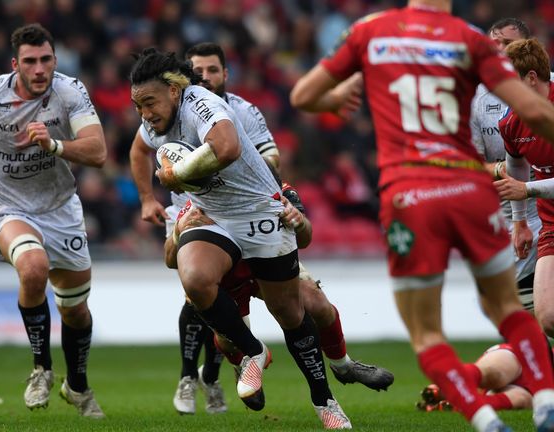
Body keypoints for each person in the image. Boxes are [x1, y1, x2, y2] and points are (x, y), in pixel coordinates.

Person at [290, 1, 554, 431]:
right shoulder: (469, 38)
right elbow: (539, 114)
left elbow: (303, 96)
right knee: (509, 309)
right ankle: (545, 401)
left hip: (410, 193)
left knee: (427, 332)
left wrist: (336, 97)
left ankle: (486, 420)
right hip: (470, 189)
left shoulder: (371, 31)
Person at [129, 47, 352, 429]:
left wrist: (177, 172)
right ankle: (253, 352)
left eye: (149, 103)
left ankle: (324, 400)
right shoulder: (154, 123)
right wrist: (150, 195)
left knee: (290, 313)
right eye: (138, 107)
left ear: (173, 90)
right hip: (212, 213)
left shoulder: (201, 101)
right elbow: (140, 150)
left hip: (259, 211)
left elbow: (228, 148)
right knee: (195, 278)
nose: (145, 114)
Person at [0, 23, 106, 418]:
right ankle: (41, 369)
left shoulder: (69, 91)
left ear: (55, 61)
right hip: (10, 209)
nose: (39, 69)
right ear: (16, 64)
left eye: (46, 60)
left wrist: (54, 143)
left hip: (63, 210)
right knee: (33, 267)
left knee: (76, 311)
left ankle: (77, 385)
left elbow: (98, 151)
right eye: (30, 61)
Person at [165, 178, 395, 413]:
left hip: (271, 264)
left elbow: (305, 238)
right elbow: (170, 259)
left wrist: (300, 222)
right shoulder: (206, 198)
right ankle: (240, 366)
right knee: (229, 341)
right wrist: (179, 229)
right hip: (231, 275)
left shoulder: (276, 189)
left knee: (318, 305)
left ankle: (343, 366)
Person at [470, 18, 540, 312]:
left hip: (546, 201)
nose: (500, 51)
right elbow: (468, 167)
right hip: (509, 211)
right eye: (494, 45)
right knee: (498, 304)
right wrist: (502, 169)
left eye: (508, 44)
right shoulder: (476, 100)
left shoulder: (546, 87)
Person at [496, 38, 554, 339]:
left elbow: (523, 185)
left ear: (531, 78)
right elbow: (516, 166)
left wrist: (528, 190)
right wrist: (520, 222)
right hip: (552, 224)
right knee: (549, 318)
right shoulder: (511, 121)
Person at [417, 342, 544, 412]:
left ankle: (458, 404)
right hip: (528, 358)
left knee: (521, 399)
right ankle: (452, 383)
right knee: (495, 374)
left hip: (534, 393)